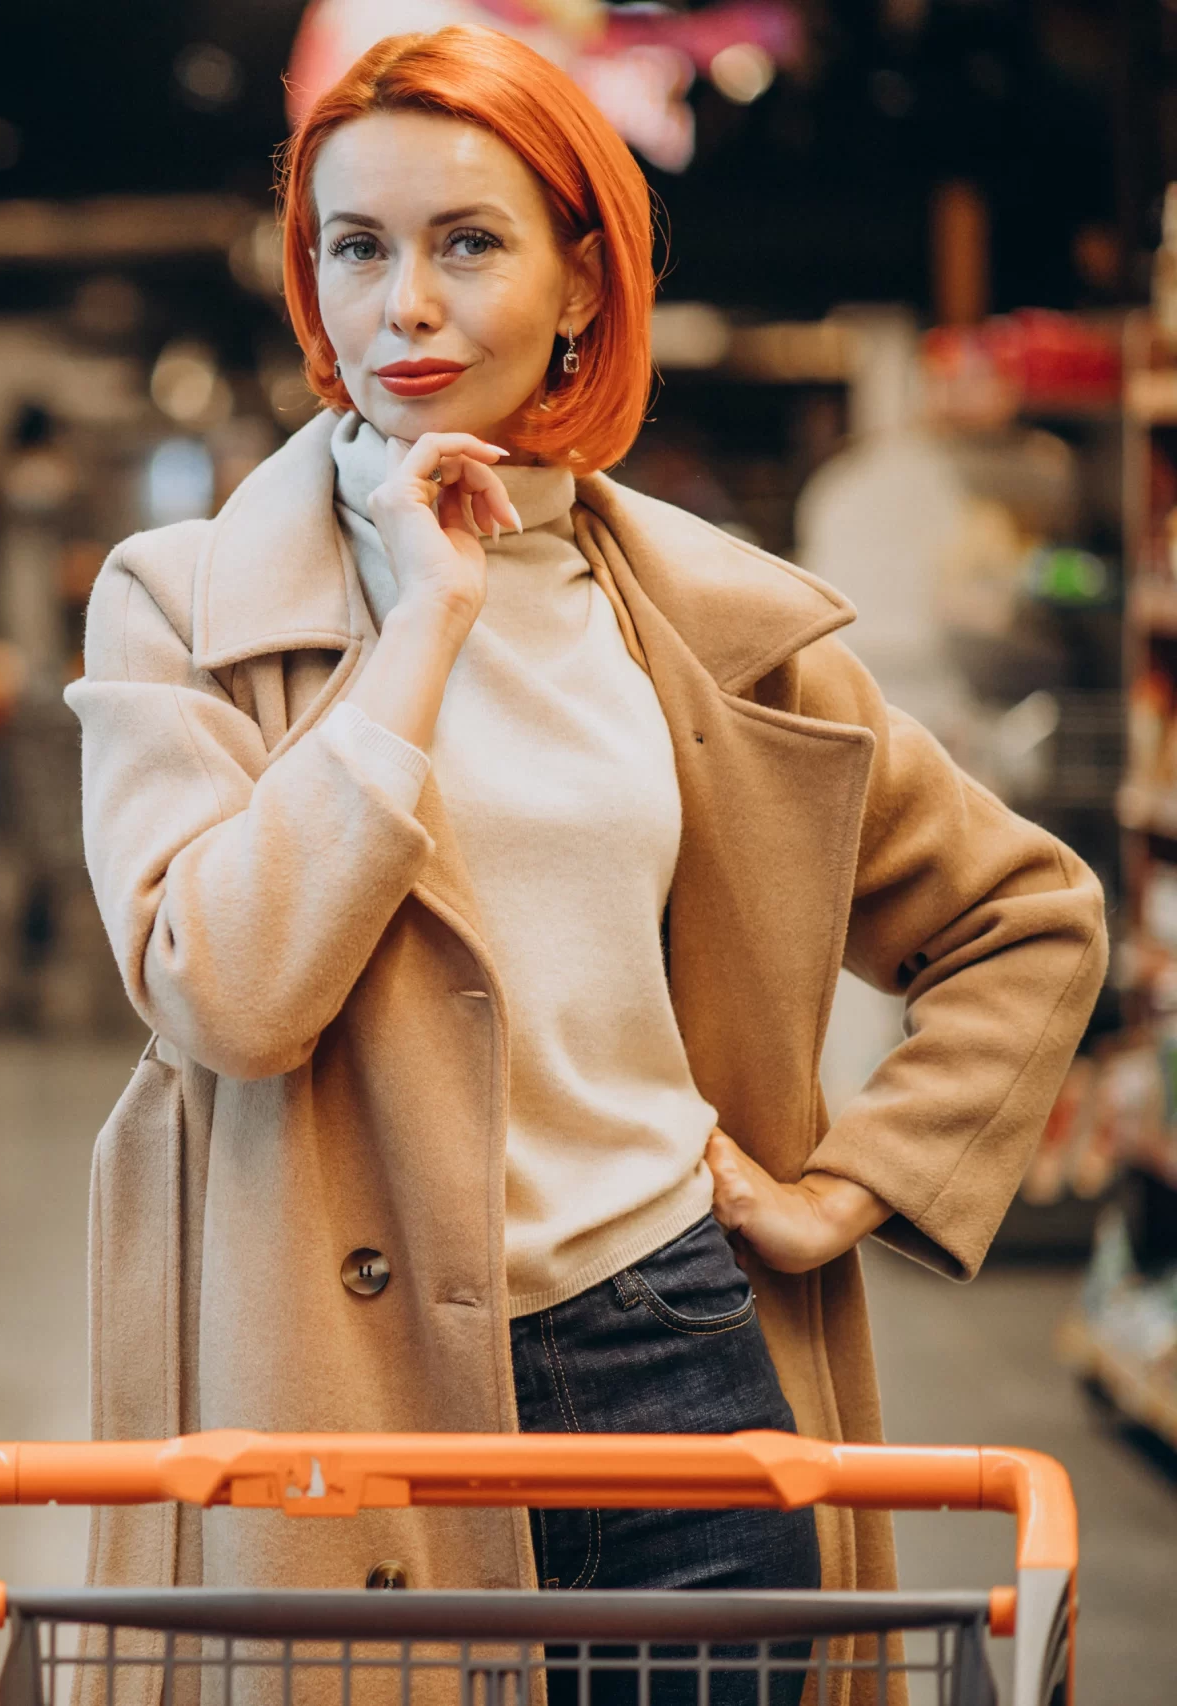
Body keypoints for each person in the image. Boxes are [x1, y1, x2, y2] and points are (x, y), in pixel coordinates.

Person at [69, 27, 1103, 1705]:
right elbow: (229, 992)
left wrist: (852, 1183)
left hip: (676, 1363)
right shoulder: (186, 604)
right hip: (346, 1396)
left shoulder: (709, 627)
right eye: (357, 245)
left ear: (580, 285)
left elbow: (1027, 916)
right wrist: (424, 626)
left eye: (467, 242)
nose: (402, 303)